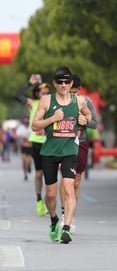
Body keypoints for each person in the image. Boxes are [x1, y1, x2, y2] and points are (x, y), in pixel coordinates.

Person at [32, 66, 92, 244]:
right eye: (60, 82)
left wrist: (85, 120)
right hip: (49, 152)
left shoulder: (79, 101)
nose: (64, 85)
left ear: (71, 83)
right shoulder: (46, 101)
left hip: (69, 151)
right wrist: (52, 119)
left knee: (68, 188)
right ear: (54, 83)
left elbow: (89, 117)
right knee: (50, 195)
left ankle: (66, 228)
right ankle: (53, 220)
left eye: (67, 81)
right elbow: (34, 126)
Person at [58, 74, 98, 232]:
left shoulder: (86, 102)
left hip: (80, 143)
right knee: (66, 179)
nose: (71, 94)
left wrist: (85, 121)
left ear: (79, 90)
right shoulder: (57, 102)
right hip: (62, 143)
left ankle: (71, 214)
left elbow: (94, 124)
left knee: (76, 181)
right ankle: (64, 214)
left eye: (74, 92)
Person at [15, 75, 50, 216]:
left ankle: (49, 200)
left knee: (50, 174)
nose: (46, 95)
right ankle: (39, 200)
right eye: (43, 93)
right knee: (39, 173)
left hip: (50, 141)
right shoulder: (32, 103)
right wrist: (29, 83)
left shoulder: (52, 103)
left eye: (48, 93)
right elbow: (17, 95)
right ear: (37, 94)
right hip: (36, 142)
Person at [15, 117, 33, 181]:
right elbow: (16, 136)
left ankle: (29, 166)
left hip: (30, 146)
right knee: (24, 160)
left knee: (30, 159)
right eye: (25, 123)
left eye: (27, 123)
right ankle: (25, 174)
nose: (26, 124)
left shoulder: (31, 127)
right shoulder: (20, 128)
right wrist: (22, 137)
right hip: (23, 146)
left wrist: (29, 140)